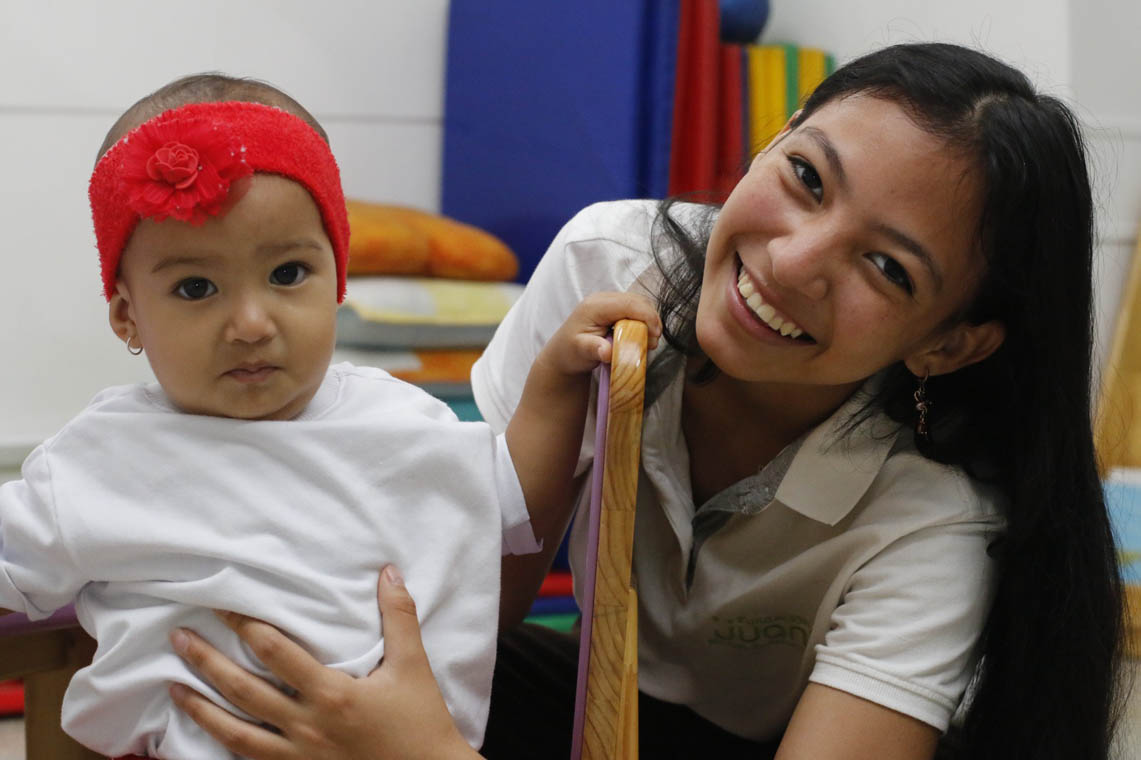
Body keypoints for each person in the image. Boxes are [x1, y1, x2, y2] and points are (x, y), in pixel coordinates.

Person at [165, 42, 1126, 760]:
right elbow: (464, 615)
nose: (789, 262)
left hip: (787, 740)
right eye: (803, 177)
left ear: (949, 342)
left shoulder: (937, 516)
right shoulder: (610, 261)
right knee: (301, 692)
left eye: (882, 265)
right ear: (776, 135)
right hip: (601, 691)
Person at [0, 73, 661, 759]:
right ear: (126, 315)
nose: (251, 323)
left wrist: (555, 379)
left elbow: (510, 499)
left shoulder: (397, 417)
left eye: (287, 274)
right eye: (196, 287)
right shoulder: (103, 456)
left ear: (336, 280)